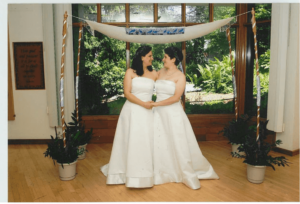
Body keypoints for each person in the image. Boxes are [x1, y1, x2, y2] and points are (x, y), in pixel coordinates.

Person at [150, 46, 219, 190]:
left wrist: (156, 103)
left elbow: (176, 98)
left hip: (172, 112)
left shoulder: (180, 76)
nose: (163, 59)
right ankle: (161, 170)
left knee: (176, 141)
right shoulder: (160, 71)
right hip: (158, 113)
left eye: (166, 57)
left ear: (173, 59)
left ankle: (181, 171)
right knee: (159, 141)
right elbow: (148, 79)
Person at [100, 45, 157, 188]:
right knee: (129, 139)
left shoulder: (155, 73)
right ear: (142, 57)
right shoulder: (130, 72)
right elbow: (127, 93)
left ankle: (145, 171)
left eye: (151, 55)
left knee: (145, 140)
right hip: (132, 111)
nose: (152, 58)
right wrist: (143, 104)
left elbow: (165, 85)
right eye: (149, 55)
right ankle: (124, 171)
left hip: (148, 112)